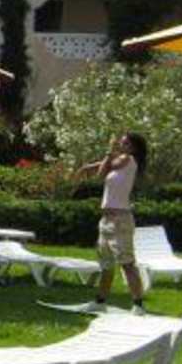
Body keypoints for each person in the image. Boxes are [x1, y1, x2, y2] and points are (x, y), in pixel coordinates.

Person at [75, 131, 148, 312]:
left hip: (120, 221)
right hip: (106, 220)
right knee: (106, 265)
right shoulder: (120, 161)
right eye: (121, 143)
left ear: (134, 148)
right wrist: (87, 167)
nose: (121, 146)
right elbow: (103, 166)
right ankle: (100, 302)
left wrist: (108, 152)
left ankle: (138, 305)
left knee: (127, 263)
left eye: (125, 143)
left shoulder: (127, 159)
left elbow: (101, 174)